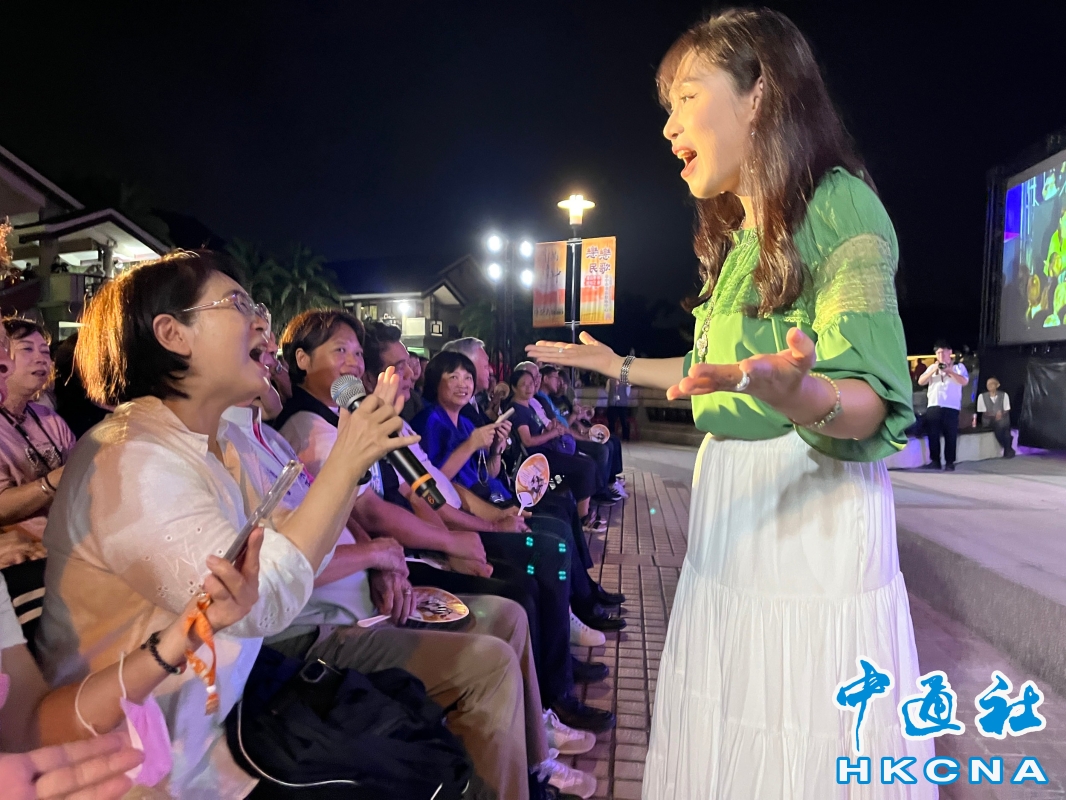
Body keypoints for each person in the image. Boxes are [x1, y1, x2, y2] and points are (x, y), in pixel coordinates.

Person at [527, 9, 935, 798]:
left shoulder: (836, 203)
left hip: (805, 514)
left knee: (798, 734)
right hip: (734, 510)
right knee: (732, 725)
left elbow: (870, 400)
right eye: (667, 107)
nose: (670, 125)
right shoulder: (742, 235)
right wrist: (619, 363)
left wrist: (801, 394)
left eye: (687, 97)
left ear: (759, 96)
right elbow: (713, 371)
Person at [35, 251, 418, 798]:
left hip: (222, 726)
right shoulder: (132, 460)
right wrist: (348, 456)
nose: (261, 324)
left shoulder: (213, 443)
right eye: (238, 304)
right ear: (172, 334)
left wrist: (355, 457)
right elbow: (262, 601)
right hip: (147, 770)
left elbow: (293, 538)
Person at [277, 313, 615, 743]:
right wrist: (449, 542)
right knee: (529, 577)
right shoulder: (312, 429)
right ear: (302, 360)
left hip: (418, 542)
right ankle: (550, 695)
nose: (404, 375)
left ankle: (560, 650)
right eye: (341, 351)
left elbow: (425, 492)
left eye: (358, 354)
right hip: (387, 569)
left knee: (549, 543)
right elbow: (371, 512)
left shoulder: (366, 421)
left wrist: (475, 525)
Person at [0, 318, 76, 542]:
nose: (41, 359)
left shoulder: (49, 419)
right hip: (21, 552)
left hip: (66, 541)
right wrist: (53, 481)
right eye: (27, 349)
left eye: (45, 351)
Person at [917, 340, 969, 471]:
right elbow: (921, 381)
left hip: (951, 406)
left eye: (943, 352)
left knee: (950, 435)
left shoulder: (958, 367)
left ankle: (950, 462)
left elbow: (964, 381)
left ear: (950, 352)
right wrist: (934, 369)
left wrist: (949, 371)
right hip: (934, 405)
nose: (941, 355)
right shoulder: (932, 367)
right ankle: (935, 461)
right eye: (938, 353)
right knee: (933, 434)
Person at [975, 376, 1014, 458]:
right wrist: (994, 415)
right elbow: (983, 411)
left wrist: (1001, 413)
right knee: (999, 426)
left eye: (992, 384)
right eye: (988, 384)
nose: (989, 386)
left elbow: (1007, 408)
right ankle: (1008, 448)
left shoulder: (1004, 395)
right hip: (989, 420)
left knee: (1004, 427)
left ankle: (1008, 449)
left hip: (1002, 419)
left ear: (997, 385)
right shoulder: (982, 396)